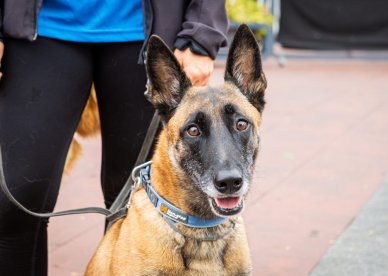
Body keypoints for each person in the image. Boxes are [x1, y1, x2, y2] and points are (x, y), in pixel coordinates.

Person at [0, 0, 228, 274]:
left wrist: (201, 33)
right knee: (14, 202)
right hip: (40, 30)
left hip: (148, 36)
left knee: (137, 203)